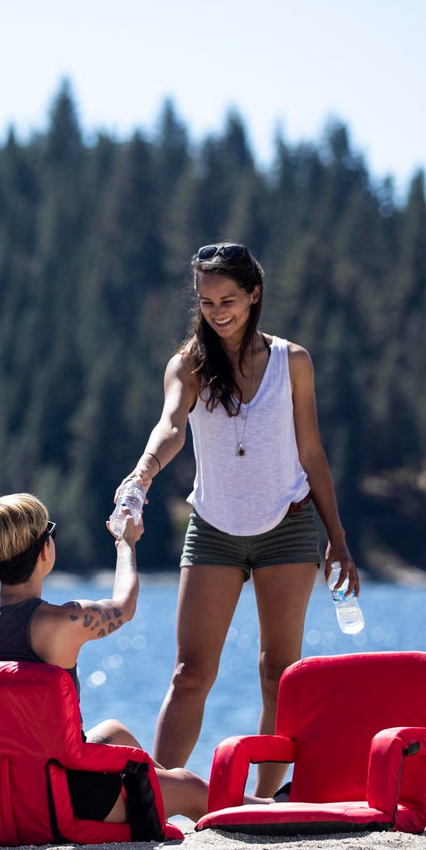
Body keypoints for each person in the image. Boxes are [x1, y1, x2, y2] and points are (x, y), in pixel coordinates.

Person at [120, 242, 360, 800]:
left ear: (255, 294)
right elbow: (171, 425)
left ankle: (266, 798)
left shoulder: (292, 361)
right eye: (207, 302)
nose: (218, 311)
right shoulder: (189, 365)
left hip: (289, 526)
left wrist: (338, 540)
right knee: (189, 673)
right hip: (213, 531)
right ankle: (156, 796)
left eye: (229, 299)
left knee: (280, 672)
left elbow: (313, 453)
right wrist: (143, 473)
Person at [0, 493, 252, 824]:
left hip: (1, 798)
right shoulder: (63, 622)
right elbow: (125, 605)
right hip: (61, 800)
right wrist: (126, 544)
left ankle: (185, 787)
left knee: (114, 731)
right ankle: (260, 806)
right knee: (191, 787)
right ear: (45, 549)